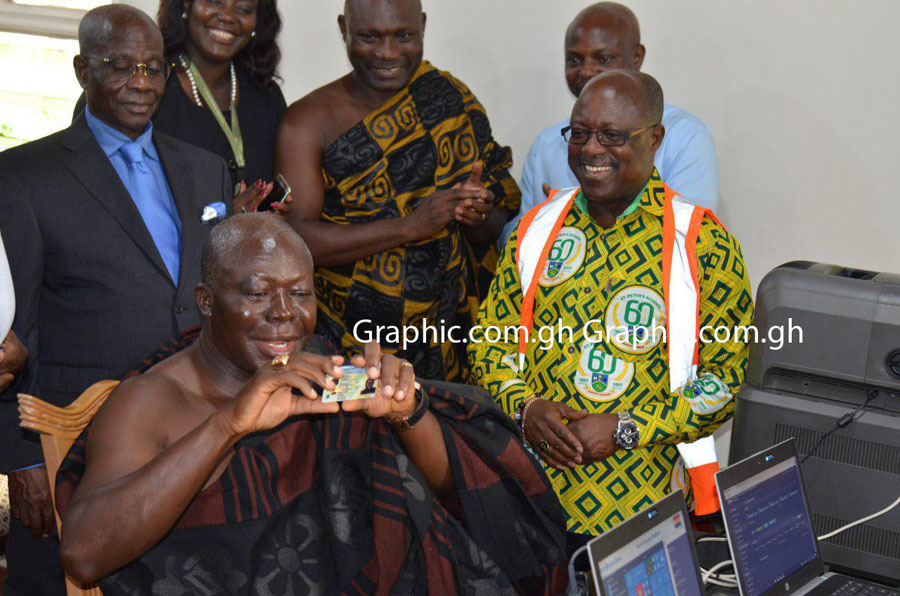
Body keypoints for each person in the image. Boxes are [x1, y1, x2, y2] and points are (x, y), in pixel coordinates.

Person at [55, 214, 566, 595]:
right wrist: (228, 426)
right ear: (207, 301)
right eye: (258, 294)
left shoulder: (322, 372)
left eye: (300, 293)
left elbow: (455, 498)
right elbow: (84, 556)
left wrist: (406, 413)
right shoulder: (150, 400)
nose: (284, 314)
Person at [0, 5, 256, 592]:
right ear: (81, 70)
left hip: (192, 431)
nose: (140, 82)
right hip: (70, 438)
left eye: (152, 67)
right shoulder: (22, 176)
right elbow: (11, 334)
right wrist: (20, 457)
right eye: (119, 66)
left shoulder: (206, 170)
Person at [469, 70, 752, 555]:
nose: (591, 149)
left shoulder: (703, 244)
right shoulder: (534, 230)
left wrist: (625, 428)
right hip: (530, 498)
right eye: (579, 133)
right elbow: (489, 344)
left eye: (613, 136)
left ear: (654, 138)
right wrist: (525, 407)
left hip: (647, 512)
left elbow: (725, 383)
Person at [276, 0, 521, 383]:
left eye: (403, 36)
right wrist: (410, 227)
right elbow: (296, 240)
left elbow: (493, 225)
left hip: (452, 336)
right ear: (344, 29)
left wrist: (475, 214)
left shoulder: (449, 98)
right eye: (370, 37)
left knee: (450, 423)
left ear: (422, 25)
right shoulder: (306, 122)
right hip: (348, 342)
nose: (387, 53)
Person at [500, 2, 718, 248]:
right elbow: (516, 241)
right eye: (574, 59)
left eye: (603, 58)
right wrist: (547, 220)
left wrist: (573, 221)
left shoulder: (685, 135)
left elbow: (691, 238)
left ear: (637, 57)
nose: (586, 71)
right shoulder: (547, 144)